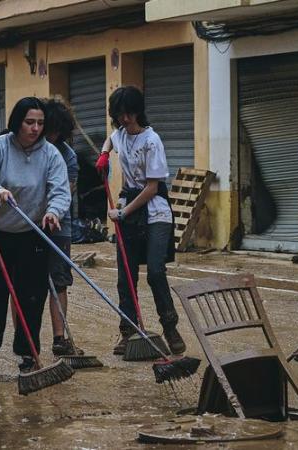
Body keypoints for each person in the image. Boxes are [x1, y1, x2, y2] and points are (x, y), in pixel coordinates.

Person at [0, 97, 71, 377]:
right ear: (17, 122)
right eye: (29, 122)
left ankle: (27, 353)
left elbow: (60, 190)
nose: (35, 128)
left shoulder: (51, 154)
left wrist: (54, 212)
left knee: (31, 296)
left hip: (32, 232)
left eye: (40, 123)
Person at [96, 86, 186, 356]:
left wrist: (123, 213)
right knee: (126, 275)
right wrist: (103, 154)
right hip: (129, 209)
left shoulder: (152, 141)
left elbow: (151, 187)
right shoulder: (120, 134)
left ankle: (170, 328)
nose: (125, 119)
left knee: (156, 271)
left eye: (129, 114)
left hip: (155, 210)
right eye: (120, 115)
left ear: (138, 111)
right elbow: (111, 140)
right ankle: (128, 331)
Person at [43, 97, 82, 356]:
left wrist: (51, 212)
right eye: (50, 129)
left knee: (59, 282)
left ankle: (59, 339)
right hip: (25, 223)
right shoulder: (26, 149)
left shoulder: (68, 157)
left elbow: (65, 193)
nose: (53, 135)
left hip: (58, 225)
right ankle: (26, 343)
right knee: (27, 284)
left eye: (58, 131)